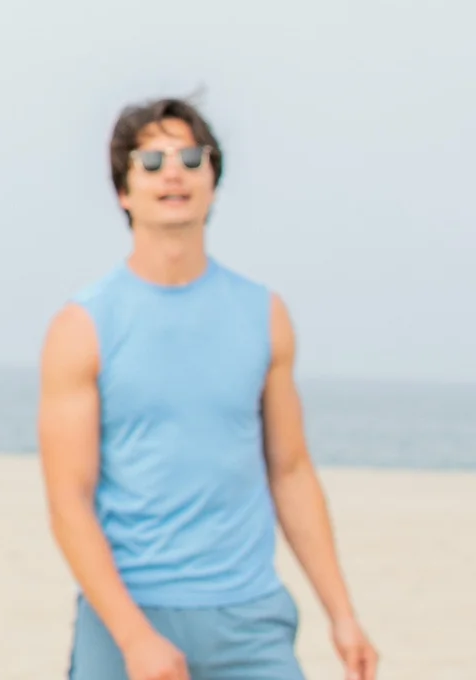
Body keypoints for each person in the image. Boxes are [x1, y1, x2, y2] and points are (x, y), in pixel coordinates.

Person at [38, 98, 377, 680]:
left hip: (250, 621)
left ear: (214, 183)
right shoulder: (83, 326)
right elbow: (69, 500)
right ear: (124, 190)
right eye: (152, 160)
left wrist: (342, 613)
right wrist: (133, 636)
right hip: (127, 617)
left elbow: (290, 471)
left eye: (192, 157)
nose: (175, 172)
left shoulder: (264, 314)